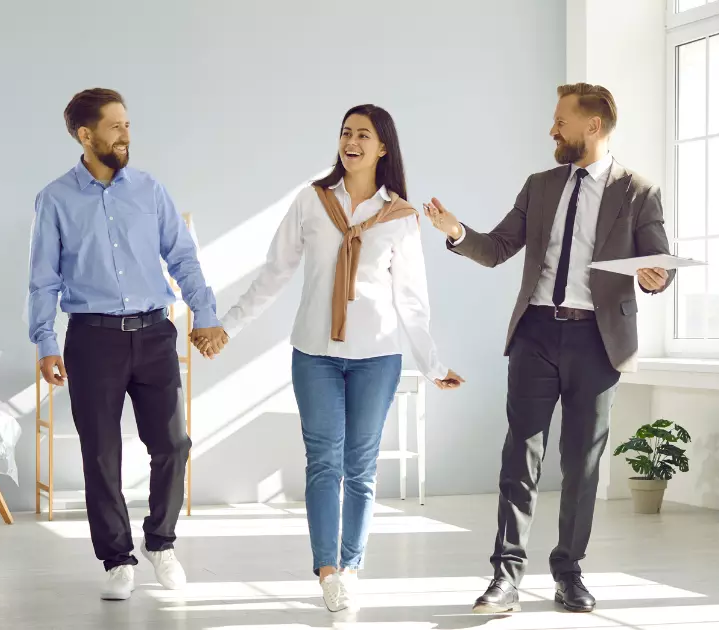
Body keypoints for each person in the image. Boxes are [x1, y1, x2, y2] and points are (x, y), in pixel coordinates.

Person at [200, 104, 463, 614]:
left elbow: (412, 300)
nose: (352, 141)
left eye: (364, 134)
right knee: (324, 463)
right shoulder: (311, 202)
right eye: (346, 133)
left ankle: (351, 568)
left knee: (360, 469)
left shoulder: (402, 217)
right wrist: (228, 327)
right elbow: (273, 274)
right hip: (315, 354)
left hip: (377, 357)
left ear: (383, 147)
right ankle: (326, 573)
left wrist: (432, 365)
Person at [423, 83, 674, 614]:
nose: (552, 129)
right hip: (536, 332)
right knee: (521, 455)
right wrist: (455, 231)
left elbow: (657, 264)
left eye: (561, 120)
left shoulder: (638, 192)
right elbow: (497, 249)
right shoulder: (539, 186)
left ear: (594, 126)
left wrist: (654, 279)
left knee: (582, 463)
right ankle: (505, 577)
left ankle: (569, 573)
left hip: (598, 339)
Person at [28, 88, 228, 601]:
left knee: (173, 444)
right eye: (115, 126)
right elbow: (43, 280)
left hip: (154, 333)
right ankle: (117, 559)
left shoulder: (150, 191)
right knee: (100, 454)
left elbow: (183, 258)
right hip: (91, 341)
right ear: (85, 134)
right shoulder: (54, 199)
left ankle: (161, 544)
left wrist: (205, 314)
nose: (126, 135)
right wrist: (46, 342)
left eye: (128, 125)